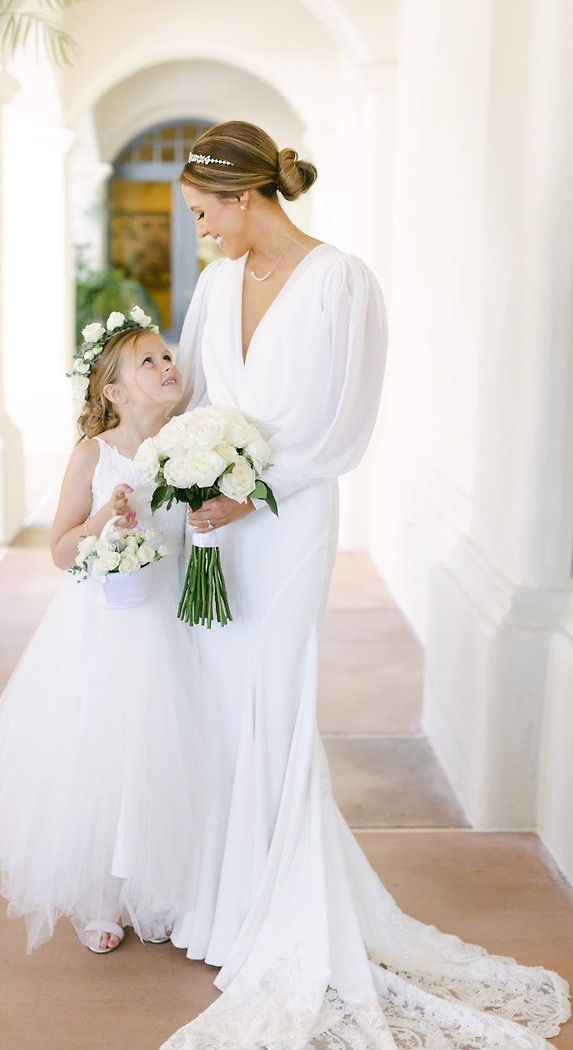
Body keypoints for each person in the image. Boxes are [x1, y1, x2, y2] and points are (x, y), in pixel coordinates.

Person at [163, 122, 570, 1048]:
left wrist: (249, 493)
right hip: (211, 525)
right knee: (221, 699)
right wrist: (166, 474)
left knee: (277, 696)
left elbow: (345, 427)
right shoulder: (217, 283)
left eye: (203, 212)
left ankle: (281, 909)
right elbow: (193, 399)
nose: (200, 230)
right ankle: (223, 904)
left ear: (245, 197)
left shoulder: (341, 282)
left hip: (286, 521)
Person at [0, 314, 200, 956]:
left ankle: (153, 890)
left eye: (167, 356)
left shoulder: (188, 446)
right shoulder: (94, 454)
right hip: (106, 626)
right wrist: (107, 517)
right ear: (114, 391)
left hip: (168, 618)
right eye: (147, 361)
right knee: (103, 751)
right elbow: (59, 548)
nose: (166, 366)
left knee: (159, 750)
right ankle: (99, 896)